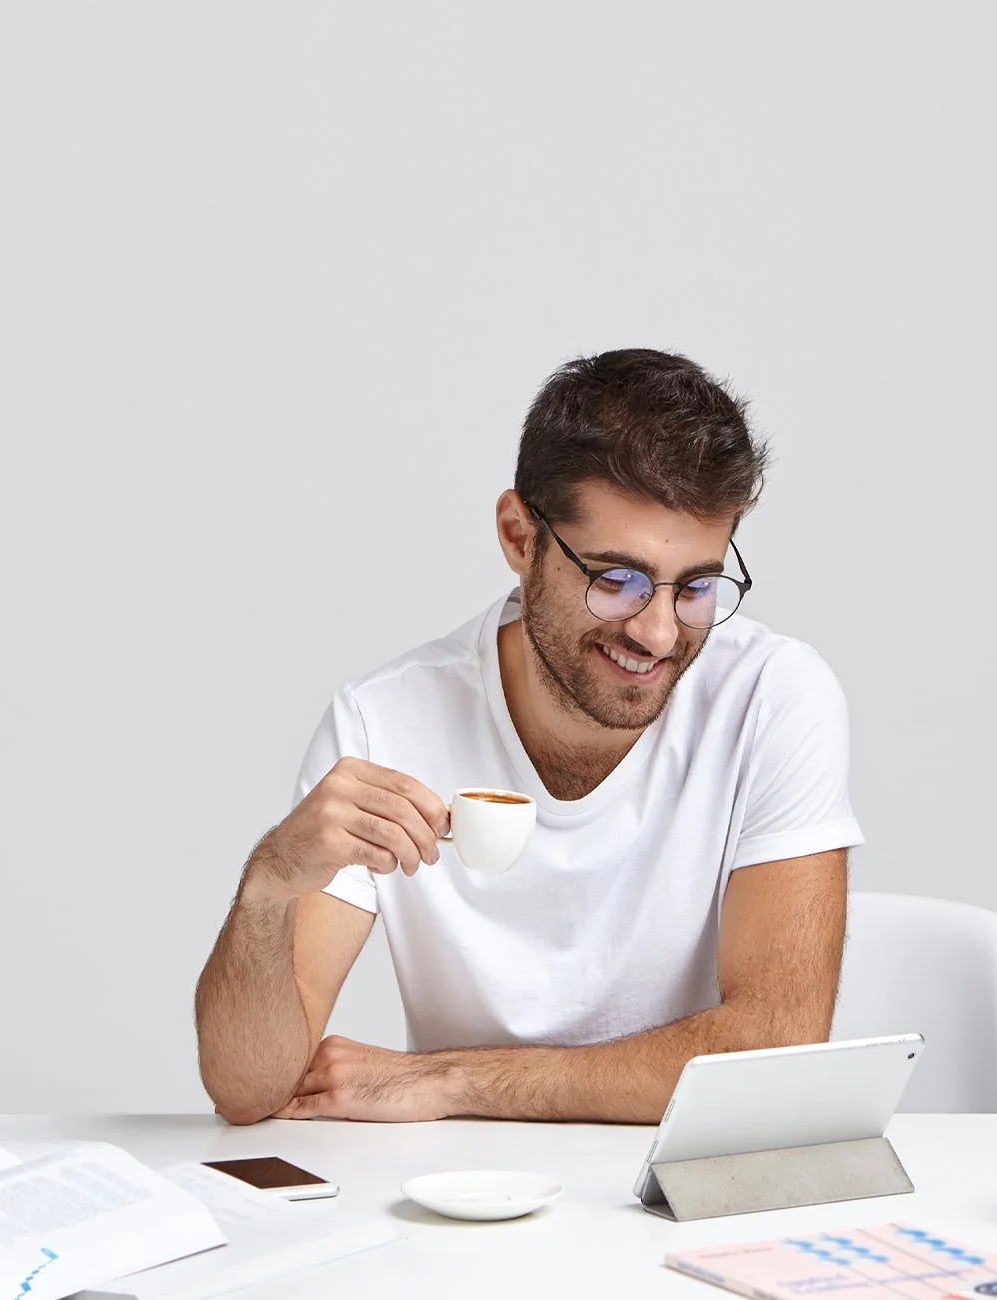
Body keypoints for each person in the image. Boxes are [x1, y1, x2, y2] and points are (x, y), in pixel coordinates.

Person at [195, 348, 862, 1125]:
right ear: (519, 537)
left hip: (679, 1178)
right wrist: (269, 883)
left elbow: (777, 1048)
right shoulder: (384, 720)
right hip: (464, 1184)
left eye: (697, 587)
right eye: (616, 579)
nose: (656, 633)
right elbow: (249, 1088)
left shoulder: (773, 696)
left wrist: (455, 1081)